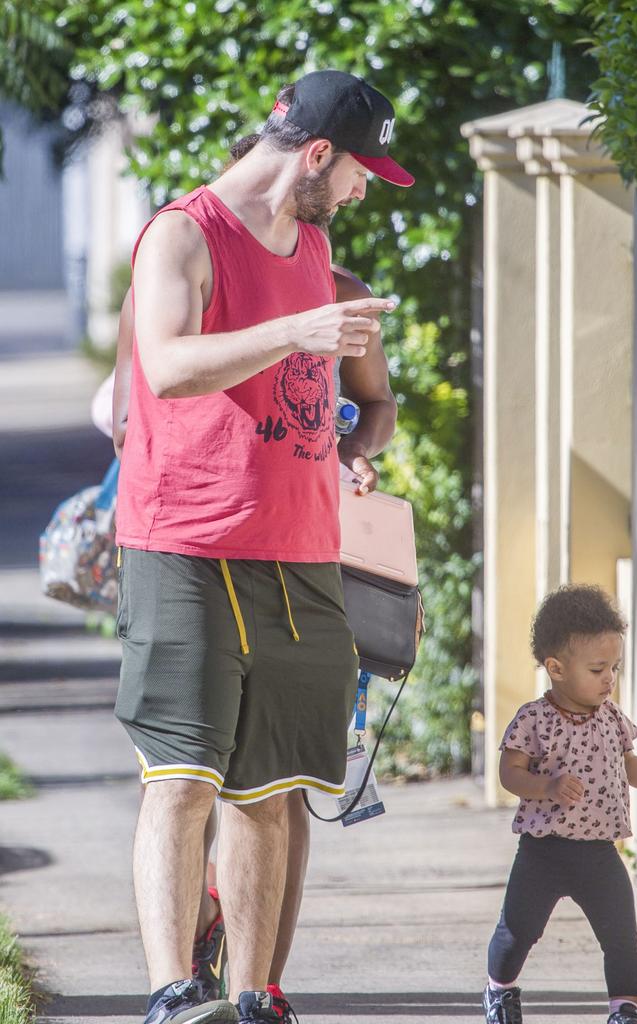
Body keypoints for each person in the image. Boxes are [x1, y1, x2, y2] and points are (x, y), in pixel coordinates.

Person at [113, 69, 413, 1024]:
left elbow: (367, 404)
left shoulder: (324, 258)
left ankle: (251, 997)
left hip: (301, 553)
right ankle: (171, 991)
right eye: (364, 170)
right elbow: (165, 364)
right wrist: (296, 330)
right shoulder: (183, 234)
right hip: (185, 542)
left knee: (273, 787)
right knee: (185, 774)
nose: (368, 189)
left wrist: (355, 452)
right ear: (317, 155)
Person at [482, 585, 637, 1024]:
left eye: (614, 668)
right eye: (598, 668)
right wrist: (547, 786)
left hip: (600, 852)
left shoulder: (611, 716)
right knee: (518, 932)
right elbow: (510, 774)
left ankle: (625, 1009)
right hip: (542, 852)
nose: (609, 679)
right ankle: (499, 991)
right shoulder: (533, 718)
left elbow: (628, 766)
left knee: (622, 937)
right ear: (556, 668)